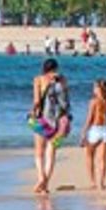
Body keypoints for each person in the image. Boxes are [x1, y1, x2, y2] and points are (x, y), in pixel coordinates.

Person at [28, 59, 71, 196]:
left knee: (39, 152)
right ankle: (45, 185)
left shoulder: (38, 79)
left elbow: (36, 101)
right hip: (60, 122)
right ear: (56, 68)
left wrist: (32, 112)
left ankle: (41, 178)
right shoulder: (63, 79)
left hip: (42, 120)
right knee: (51, 152)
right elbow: (66, 101)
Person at [82, 79, 106, 194]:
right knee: (103, 158)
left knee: (89, 156)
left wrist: (84, 132)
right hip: (105, 129)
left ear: (98, 89)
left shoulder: (93, 101)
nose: (93, 89)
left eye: (95, 87)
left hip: (95, 129)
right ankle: (101, 183)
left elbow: (90, 118)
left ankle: (92, 181)